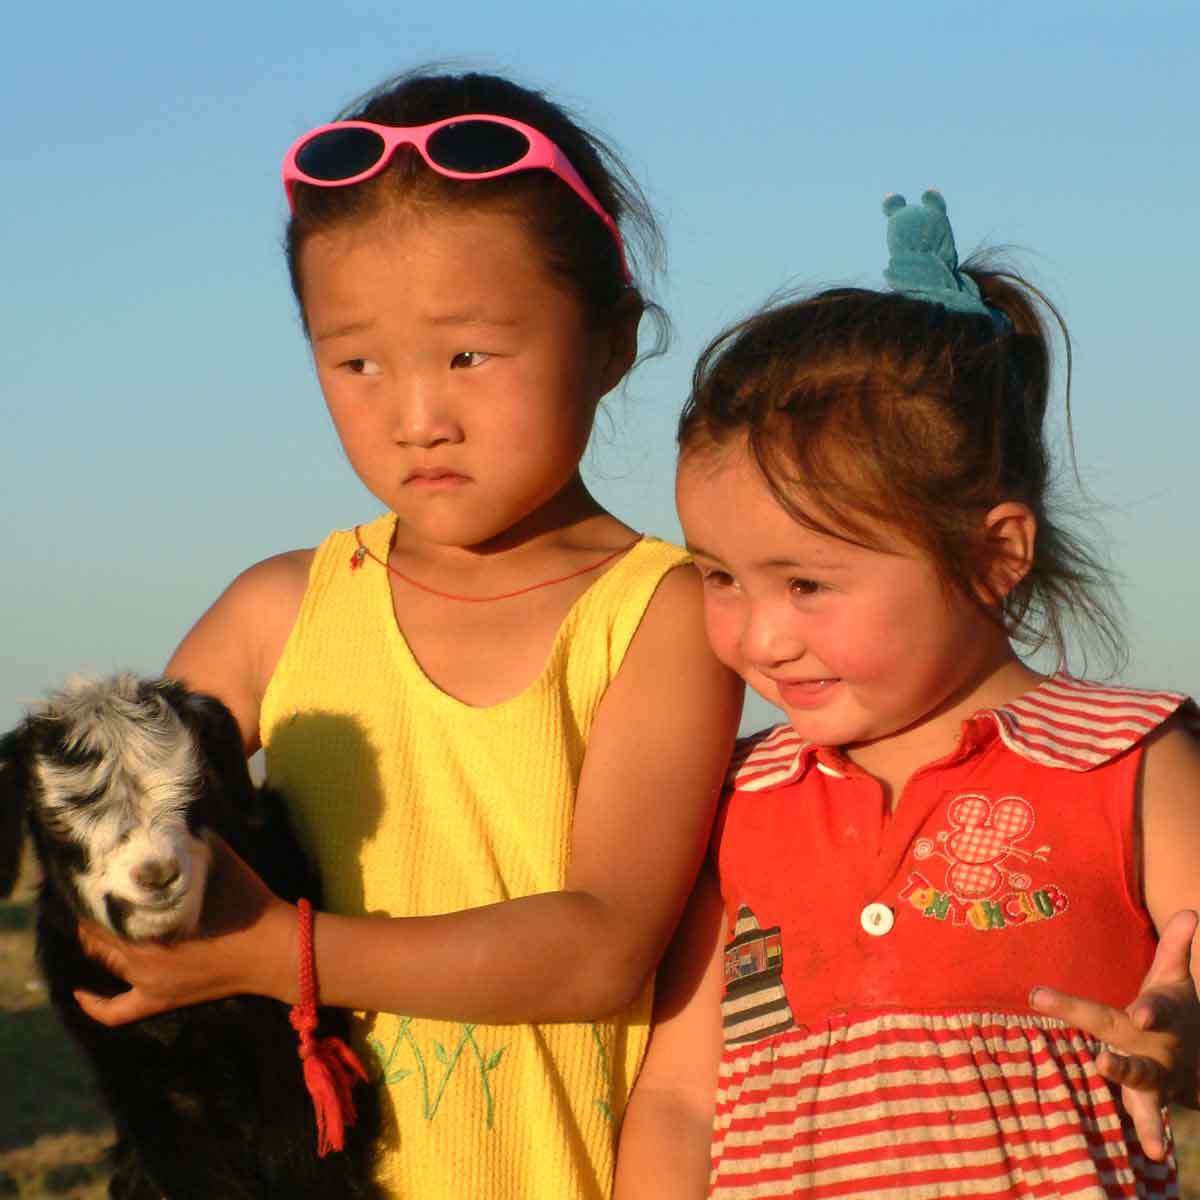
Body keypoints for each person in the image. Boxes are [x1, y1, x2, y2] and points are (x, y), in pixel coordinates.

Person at [73, 68, 743, 1200]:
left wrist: (274, 951)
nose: (417, 416)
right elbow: (108, 865)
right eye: (357, 362)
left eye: (469, 355)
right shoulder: (276, 614)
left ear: (613, 341)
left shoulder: (662, 616)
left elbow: (598, 950)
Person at [613, 190, 1200, 1199]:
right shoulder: (739, 801)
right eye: (720, 578)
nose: (760, 637)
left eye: (806, 584)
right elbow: (678, 1102)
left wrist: (1179, 1041)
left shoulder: (1128, 757)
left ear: (992, 555)